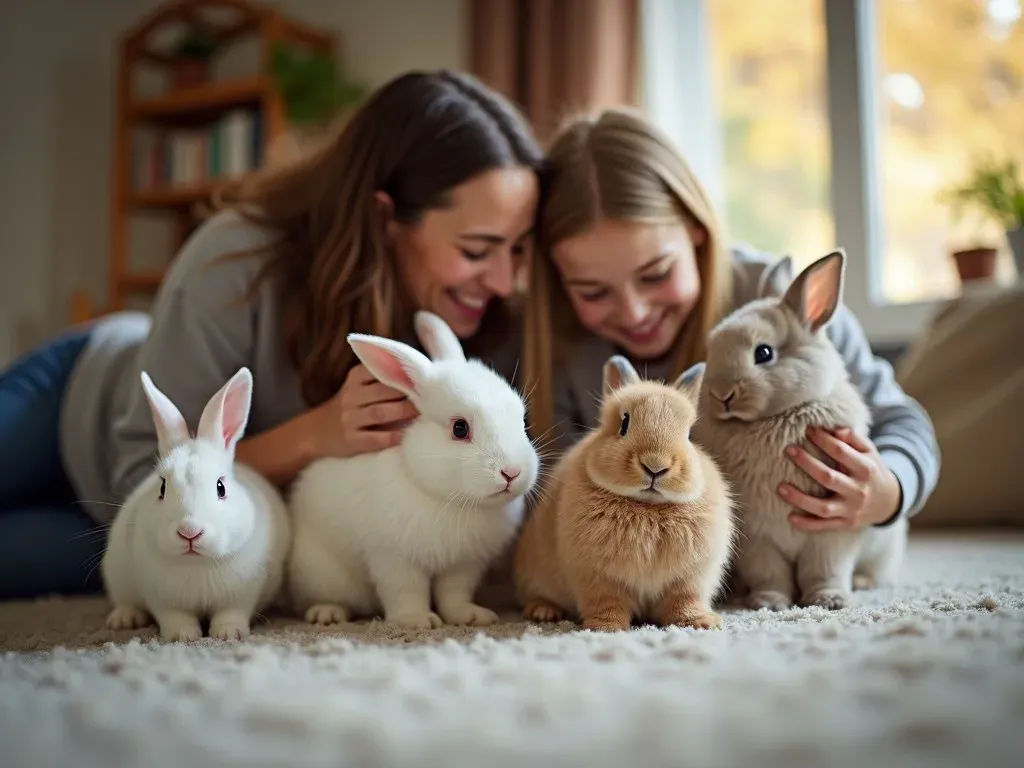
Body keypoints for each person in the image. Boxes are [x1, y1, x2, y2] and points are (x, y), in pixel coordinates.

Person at [0, 70, 543, 601]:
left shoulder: (485, 333)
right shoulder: (236, 260)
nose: (502, 279)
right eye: (476, 249)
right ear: (385, 219)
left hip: (164, 532)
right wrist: (317, 435)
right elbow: (145, 475)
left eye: (517, 247)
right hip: (84, 411)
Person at [523, 107, 940, 532]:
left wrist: (889, 490)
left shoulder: (773, 301)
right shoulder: (557, 340)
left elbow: (900, 419)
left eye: (656, 274)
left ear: (696, 230)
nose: (634, 312)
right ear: (559, 280)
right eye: (592, 292)